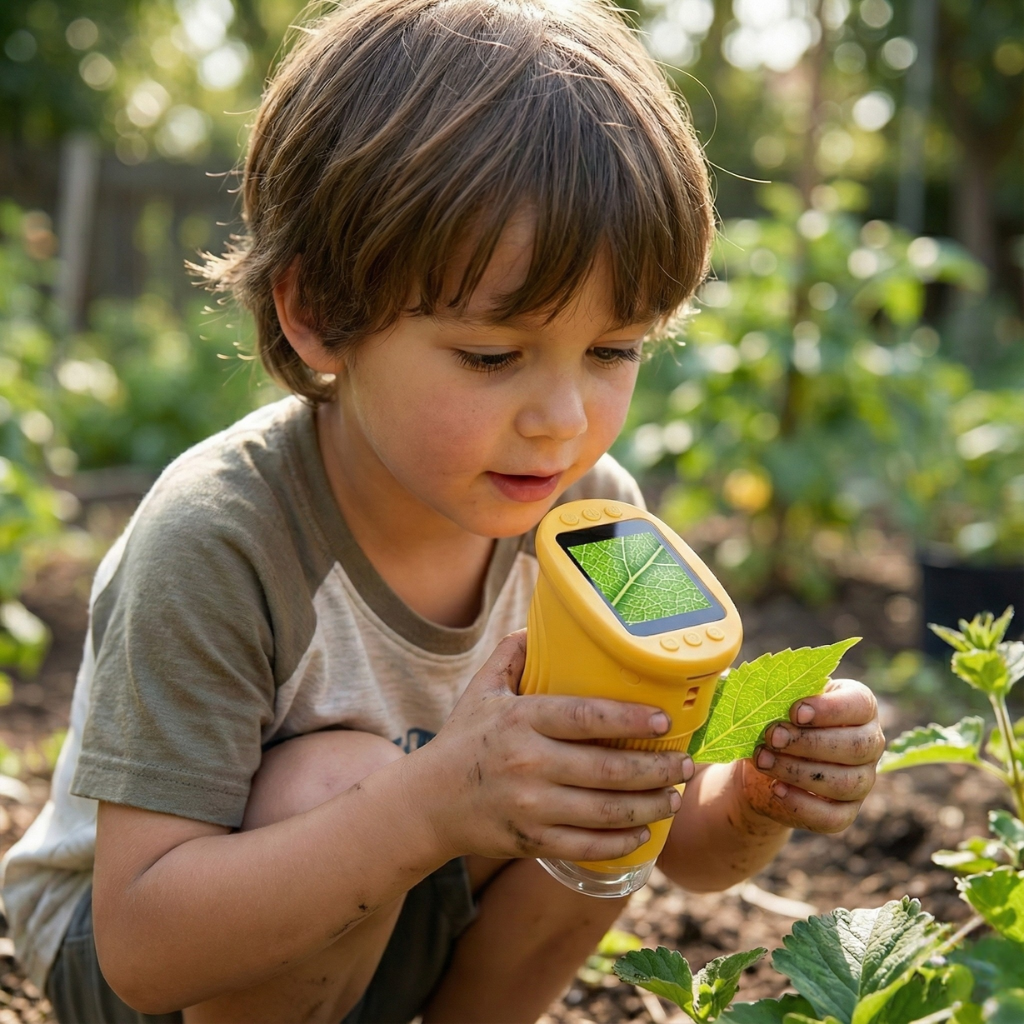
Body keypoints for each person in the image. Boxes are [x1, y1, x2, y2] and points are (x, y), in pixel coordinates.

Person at [1, 0, 886, 1020]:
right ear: (319, 313)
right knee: (336, 779)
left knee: (593, 783)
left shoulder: (594, 524)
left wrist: (759, 801)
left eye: (615, 350)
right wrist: (431, 804)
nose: (560, 422)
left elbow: (675, 841)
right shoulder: (222, 539)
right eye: (492, 356)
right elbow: (144, 947)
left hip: (398, 912)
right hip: (163, 953)